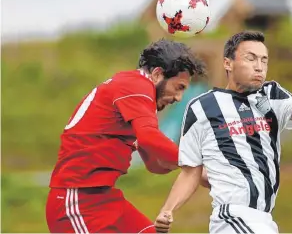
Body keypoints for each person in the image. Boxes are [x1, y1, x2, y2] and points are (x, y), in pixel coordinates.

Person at [154, 31, 292, 234]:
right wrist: (167, 210)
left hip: (263, 219)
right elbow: (191, 172)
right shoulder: (202, 107)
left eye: (264, 60)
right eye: (250, 58)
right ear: (228, 63)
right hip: (233, 217)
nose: (259, 66)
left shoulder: (271, 95)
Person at [46, 39, 206, 233]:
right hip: (78, 201)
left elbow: (154, 164)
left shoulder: (138, 99)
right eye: (179, 87)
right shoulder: (135, 85)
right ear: (157, 74)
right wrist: (194, 163)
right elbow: (149, 137)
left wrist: (193, 172)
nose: (178, 98)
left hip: (104, 198)